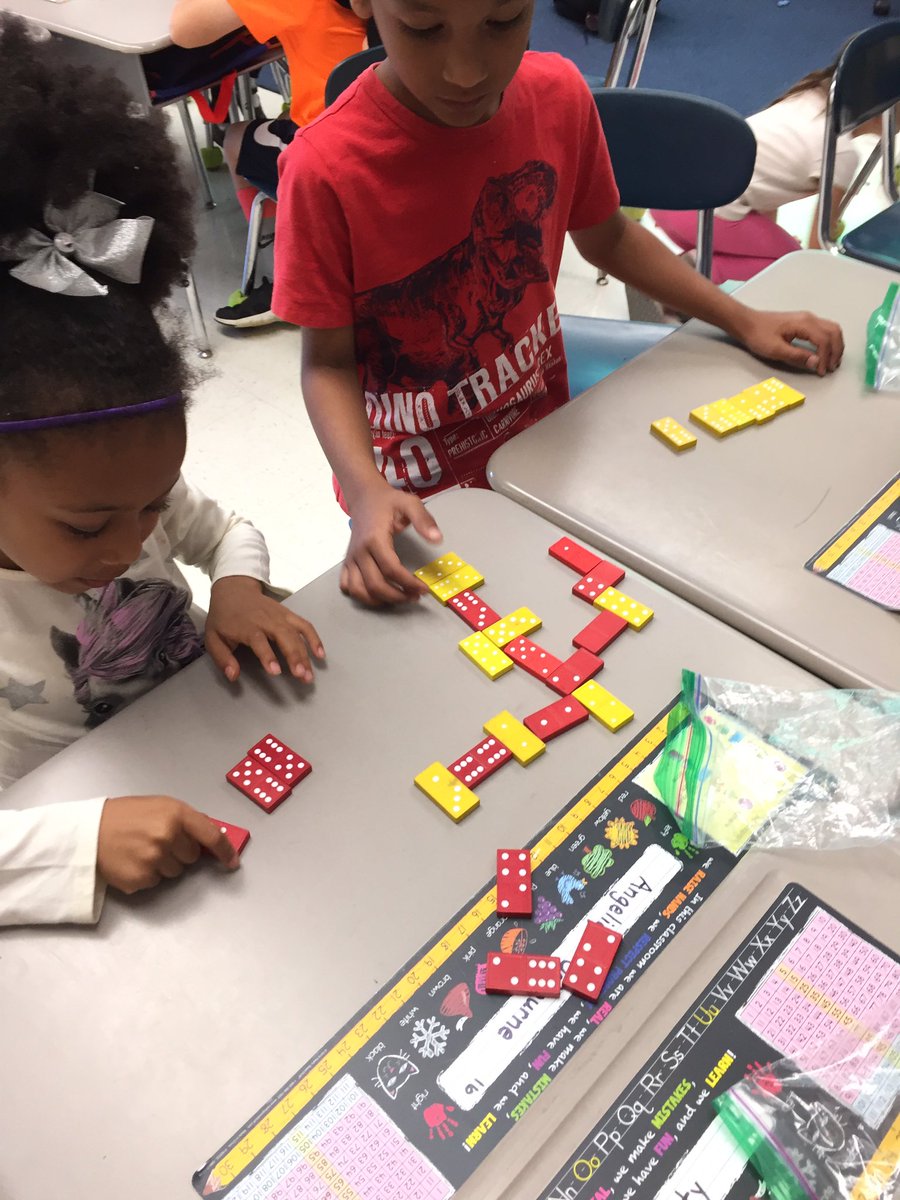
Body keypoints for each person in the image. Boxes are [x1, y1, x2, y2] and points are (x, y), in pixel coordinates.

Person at [272, 0, 845, 609]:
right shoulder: (323, 170)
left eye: (502, 22)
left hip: (542, 448)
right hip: (414, 492)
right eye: (423, 28)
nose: (466, 72)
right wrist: (365, 492)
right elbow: (326, 364)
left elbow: (610, 237)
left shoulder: (558, 96)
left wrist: (743, 318)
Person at [0, 16, 325, 926]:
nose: (130, 544)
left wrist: (238, 588)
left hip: (207, 757)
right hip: (87, 865)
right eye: (87, 526)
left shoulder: (126, 493)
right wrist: (79, 842)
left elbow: (226, 534)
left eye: (149, 507)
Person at [170, 0, 369, 328]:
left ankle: (293, 277)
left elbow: (184, 30)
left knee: (236, 139)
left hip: (329, 159)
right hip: (407, 143)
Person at [651, 52, 885, 285]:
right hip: (700, 216)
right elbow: (817, 249)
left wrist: (773, 239)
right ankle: (688, 273)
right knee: (791, 264)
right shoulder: (841, 153)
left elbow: (765, 187)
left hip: (666, 201)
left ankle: (675, 267)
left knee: (779, 252)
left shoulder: (809, 95)